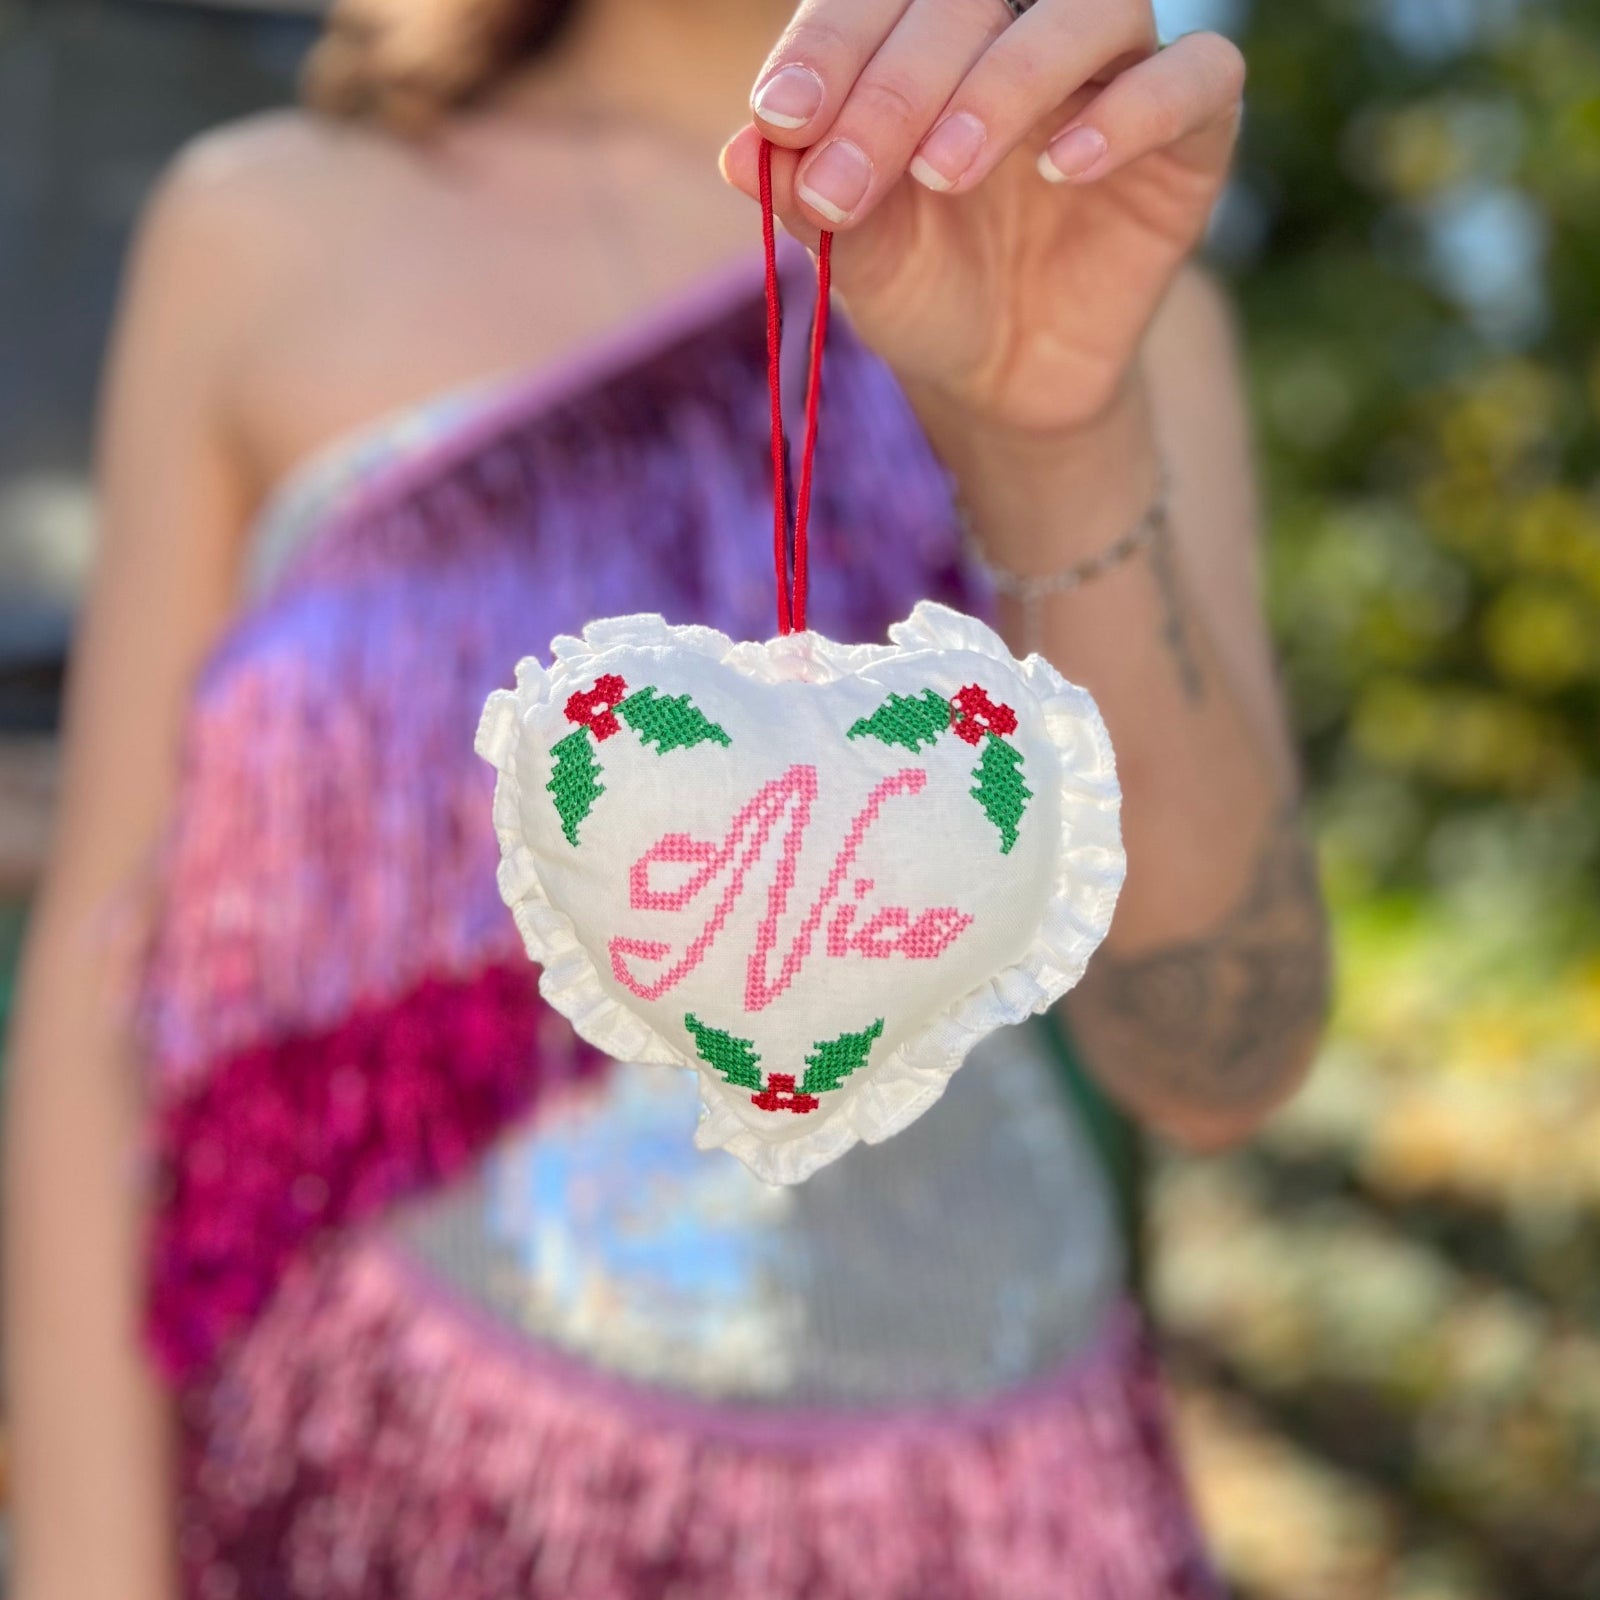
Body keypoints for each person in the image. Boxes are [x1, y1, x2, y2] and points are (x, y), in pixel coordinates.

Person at [3, 0, 1331, 1593]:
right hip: (364, 1496)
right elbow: (100, 1000)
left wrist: (1058, 453)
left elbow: (1218, 1067)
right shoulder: (261, 224)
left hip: (977, 1519)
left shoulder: (1111, 268)